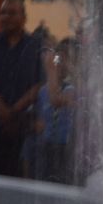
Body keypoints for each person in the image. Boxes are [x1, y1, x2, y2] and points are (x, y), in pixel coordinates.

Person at [0, 0, 46, 178]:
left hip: (24, 122)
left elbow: (39, 82)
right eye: (3, 13)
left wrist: (14, 110)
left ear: (24, 17)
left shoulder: (35, 45)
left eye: (12, 13)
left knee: (21, 174)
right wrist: (1, 106)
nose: (6, 17)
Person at [35, 37, 77, 185]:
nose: (59, 63)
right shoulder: (43, 90)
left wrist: (50, 69)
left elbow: (56, 100)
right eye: (59, 58)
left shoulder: (75, 88)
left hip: (66, 148)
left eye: (65, 59)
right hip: (47, 146)